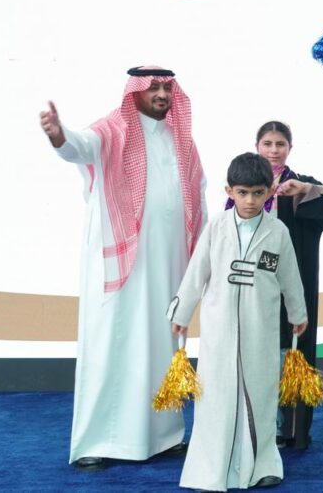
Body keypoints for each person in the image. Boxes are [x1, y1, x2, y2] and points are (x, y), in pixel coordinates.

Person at [39, 66, 206, 469]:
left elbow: (198, 192)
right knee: (112, 344)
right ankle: (98, 441)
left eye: (167, 87)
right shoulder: (113, 129)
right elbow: (80, 147)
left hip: (168, 262)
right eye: (153, 88)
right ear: (135, 93)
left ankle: (164, 436)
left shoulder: (181, 139)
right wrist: (59, 135)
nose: (162, 94)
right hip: (122, 264)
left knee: (163, 345)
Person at [168, 152, 308, 491]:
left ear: (270, 191)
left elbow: (290, 276)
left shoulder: (277, 231)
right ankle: (209, 470)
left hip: (261, 329)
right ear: (229, 191)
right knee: (214, 398)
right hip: (219, 331)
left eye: (258, 193)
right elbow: (197, 272)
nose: (250, 200)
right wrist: (182, 313)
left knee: (261, 395)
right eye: (242, 193)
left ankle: (263, 465)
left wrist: (298, 313)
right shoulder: (217, 227)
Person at [226, 121, 323, 450]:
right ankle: (255, 424)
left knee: (292, 349)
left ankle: (290, 430)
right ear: (257, 146)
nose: (273, 150)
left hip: (294, 281)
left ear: (289, 148)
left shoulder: (299, 184)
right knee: (255, 351)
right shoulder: (245, 185)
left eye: (280, 144)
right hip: (253, 285)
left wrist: (306, 190)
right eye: (267, 143)